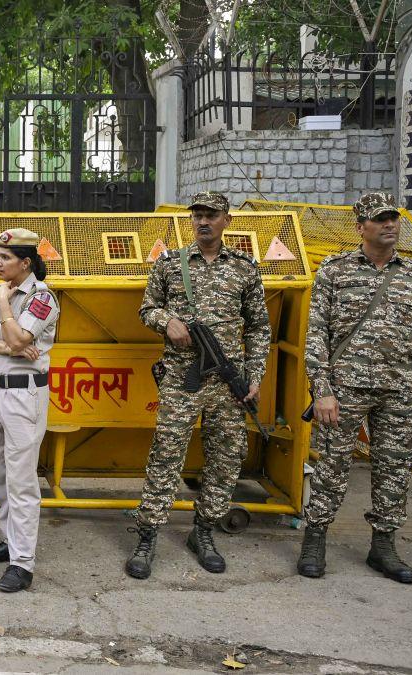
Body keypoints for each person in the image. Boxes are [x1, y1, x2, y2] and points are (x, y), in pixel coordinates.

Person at [297, 192, 412, 583]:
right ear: (360, 227)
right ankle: (315, 539)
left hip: (399, 390)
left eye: (393, 218)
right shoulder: (335, 270)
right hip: (344, 389)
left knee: (394, 469)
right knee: (332, 467)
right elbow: (316, 335)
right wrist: (322, 390)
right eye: (380, 219)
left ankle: (383, 545)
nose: (389, 225)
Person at [125, 191, 269, 579]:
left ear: (227, 220)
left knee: (226, 456)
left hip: (228, 381)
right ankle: (148, 535)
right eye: (198, 215)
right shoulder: (170, 263)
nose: (203, 221)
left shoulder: (244, 268)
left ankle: (203, 531)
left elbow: (259, 328)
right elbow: (147, 308)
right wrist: (167, 322)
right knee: (166, 454)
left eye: (212, 215)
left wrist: (254, 377)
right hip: (181, 378)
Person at [0, 228, 59, 592]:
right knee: (0, 475)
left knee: (21, 480)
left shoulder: (42, 297)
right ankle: (9, 541)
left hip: (23, 395)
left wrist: (5, 305)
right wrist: (9, 349)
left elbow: (22, 337)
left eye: (5, 257)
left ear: (26, 263)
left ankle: (22, 563)